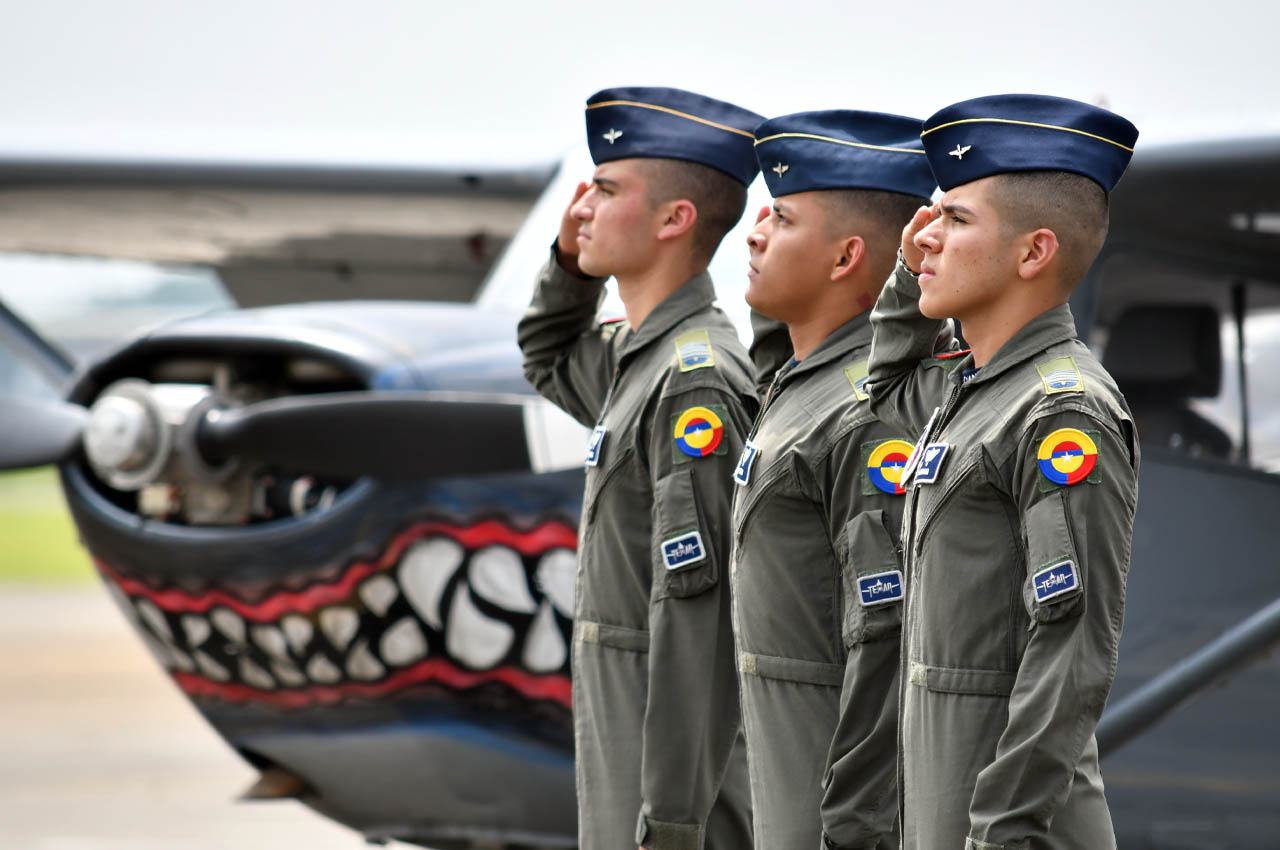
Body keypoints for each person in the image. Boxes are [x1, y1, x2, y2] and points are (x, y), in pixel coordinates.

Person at [865, 93, 1141, 850]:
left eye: (954, 220)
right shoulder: (973, 391)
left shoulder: (1061, 410)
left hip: (1013, 831)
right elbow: (883, 392)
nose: (926, 240)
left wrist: (1003, 827)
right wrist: (903, 276)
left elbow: (1071, 651)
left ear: (1033, 252)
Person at [517, 86, 761, 850]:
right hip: (628, 727)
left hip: (667, 755)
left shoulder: (695, 380)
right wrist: (568, 262)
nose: (582, 206)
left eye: (606, 189)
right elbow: (549, 355)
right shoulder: (639, 357)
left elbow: (697, 623)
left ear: (674, 218)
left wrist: (673, 811)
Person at [729, 109, 934, 850]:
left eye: (780, 219)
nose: (753, 234)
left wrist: (852, 827)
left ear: (846, 258)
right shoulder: (800, 385)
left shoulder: (862, 413)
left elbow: (885, 641)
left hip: (832, 808)